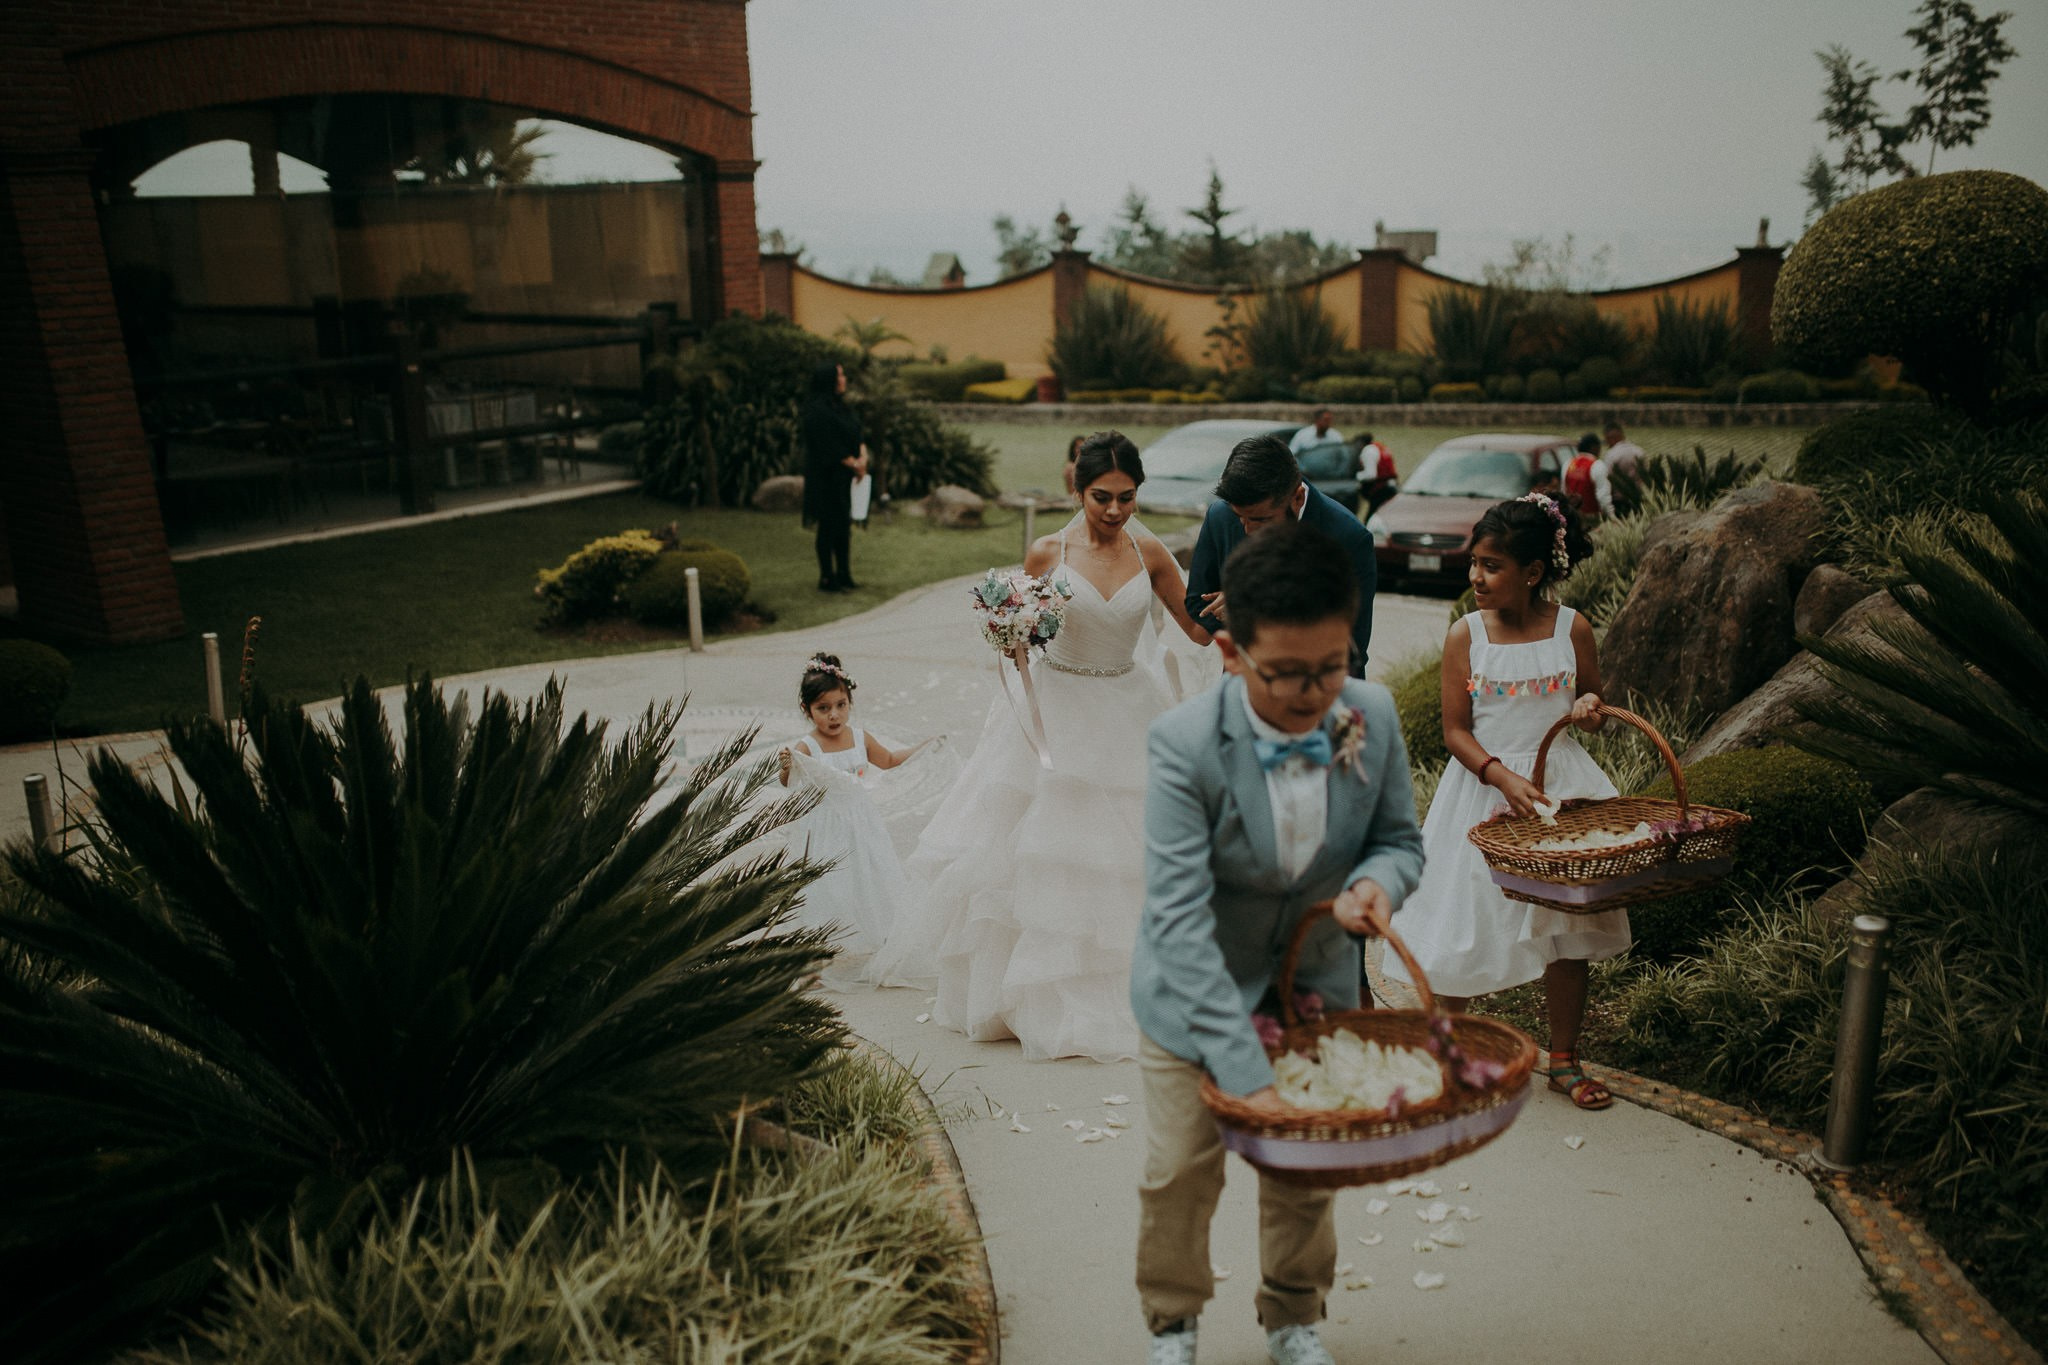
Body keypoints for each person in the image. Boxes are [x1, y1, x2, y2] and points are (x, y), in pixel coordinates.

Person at [1132, 525, 1425, 1365]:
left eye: (1330, 668)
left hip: (1315, 986)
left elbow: (1399, 840)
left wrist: (1378, 886)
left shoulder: (1369, 714)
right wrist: (1245, 1069)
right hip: (1193, 992)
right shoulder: (1183, 744)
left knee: (1305, 1172)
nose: (1314, 695)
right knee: (1178, 1172)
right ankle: (1174, 1323)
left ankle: (1294, 1317)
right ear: (1229, 650)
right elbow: (1177, 915)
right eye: (1287, 674)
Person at [878, 431, 1213, 1060]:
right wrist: (1009, 640)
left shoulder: (1154, 554)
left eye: (1127, 497)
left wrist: (1227, 610)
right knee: (1049, 850)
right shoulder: (1046, 552)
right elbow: (1021, 643)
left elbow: (1193, 631)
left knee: (1133, 852)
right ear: (1076, 488)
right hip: (1059, 712)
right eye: (1101, 497)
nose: (1115, 511)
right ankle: (1032, 998)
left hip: (1130, 707)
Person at [1382, 492, 1628, 1112]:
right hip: (1483, 792)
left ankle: (1565, 1060)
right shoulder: (1466, 635)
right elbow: (1455, 731)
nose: (1475, 577)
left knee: (1566, 926)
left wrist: (1589, 712)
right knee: (1462, 922)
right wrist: (1500, 777)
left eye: (1491, 566)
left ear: (1533, 573)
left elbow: (1596, 707)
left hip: (1559, 793)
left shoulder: (1573, 628)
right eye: (1475, 563)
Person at [776, 654, 930, 976]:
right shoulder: (808, 747)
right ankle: (818, 951)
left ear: (849, 702)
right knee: (829, 886)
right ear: (807, 710)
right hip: (826, 827)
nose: (834, 715)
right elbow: (789, 783)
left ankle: (881, 936)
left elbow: (887, 759)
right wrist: (786, 767)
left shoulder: (859, 737)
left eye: (841, 705)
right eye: (823, 708)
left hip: (861, 823)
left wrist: (920, 748)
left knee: (870, 876)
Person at [1185, 435, 1377, 676]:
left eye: (1260, 520)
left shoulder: (1349, 538)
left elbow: (1351, 643)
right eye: (1239, 517)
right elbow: (1196, 603)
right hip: (1242, 683)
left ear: (1297, 498)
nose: (1247, 529)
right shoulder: (1220, 515)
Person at [801, 362, 868, 592]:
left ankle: (844, 574)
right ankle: (827, 577)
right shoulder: (816, 410)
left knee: (843, 527)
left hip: (845, 478)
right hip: (826, 478)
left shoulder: (841, 407)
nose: (844, 379)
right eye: (840, 375)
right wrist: (854, 463)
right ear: (829, 380)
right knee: (828, 527)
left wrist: (863, 457)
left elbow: (857, 432)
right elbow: (826, 445)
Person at [1562, 433, 1612, 523]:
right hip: (1592, 517)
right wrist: (1612, 517)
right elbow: (1603, 496)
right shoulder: (1597, 465)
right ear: (1594, 447)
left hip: (1572, 516)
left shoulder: (1568, 464)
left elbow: (1563, 490)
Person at [1603, 423, 1644, 515]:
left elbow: (1608, 478)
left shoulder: (1611, 454)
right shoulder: (1639, 451)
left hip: (1619, 501)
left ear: (1611, 438)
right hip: (1638, 498)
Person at [1356, 430, 1398, 515]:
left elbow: (1371, 474)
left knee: (1370, 520)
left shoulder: (1368, 451)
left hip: (1381, 490)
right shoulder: (1378, 447)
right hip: (1390, 487)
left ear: (1361, 444)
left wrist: (1355, 477)